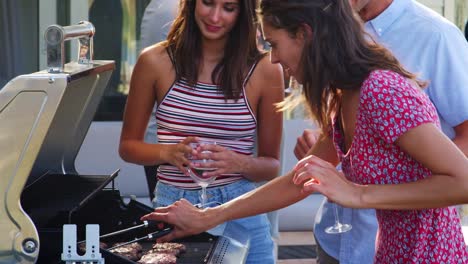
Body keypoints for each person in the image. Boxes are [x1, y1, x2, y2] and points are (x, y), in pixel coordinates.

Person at [141, 0, 468, 263]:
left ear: (305, 34)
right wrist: (209, 216)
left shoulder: (380, 91)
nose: (273, 57)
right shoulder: (344, 94)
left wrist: (358, 194)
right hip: (391, 253)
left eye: (275, 43)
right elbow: (298, 180)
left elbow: (463, 181)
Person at [293, 0, 468, 263]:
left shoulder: (436, 35)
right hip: (336, 242)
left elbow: (460, 170)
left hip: (413, 249)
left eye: (273, 45)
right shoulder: (332, 31)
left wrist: (363, 191)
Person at [119, 0, 284, 263]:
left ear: (243, 13)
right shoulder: (154, 61)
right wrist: (168, 153)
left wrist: (237, 162)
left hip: (240, 210)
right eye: (208, 3)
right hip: (175, 208)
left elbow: (271, 166)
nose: (215, 16)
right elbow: (128, 147)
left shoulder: (266, 69)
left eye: (228, 8)